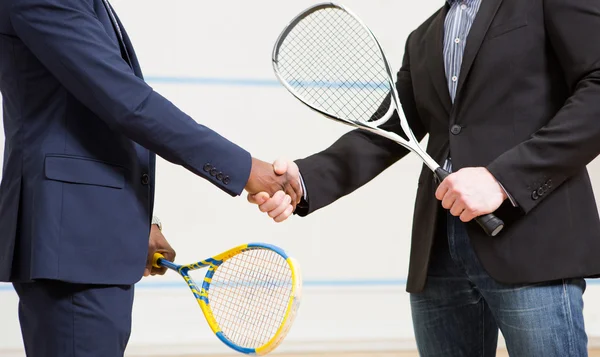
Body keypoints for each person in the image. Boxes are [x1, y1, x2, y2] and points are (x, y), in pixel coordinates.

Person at [250, 0, 600, 355]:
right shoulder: (423, 37)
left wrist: (503, 180)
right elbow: (383, 134)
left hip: (532, 241)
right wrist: (303, 180)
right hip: (438, 253)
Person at [0, 0, 300, 356]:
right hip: (70, 244)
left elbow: (95, 119)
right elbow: (127, 104)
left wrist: (138, 221)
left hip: (89, 239)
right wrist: (247, 169)